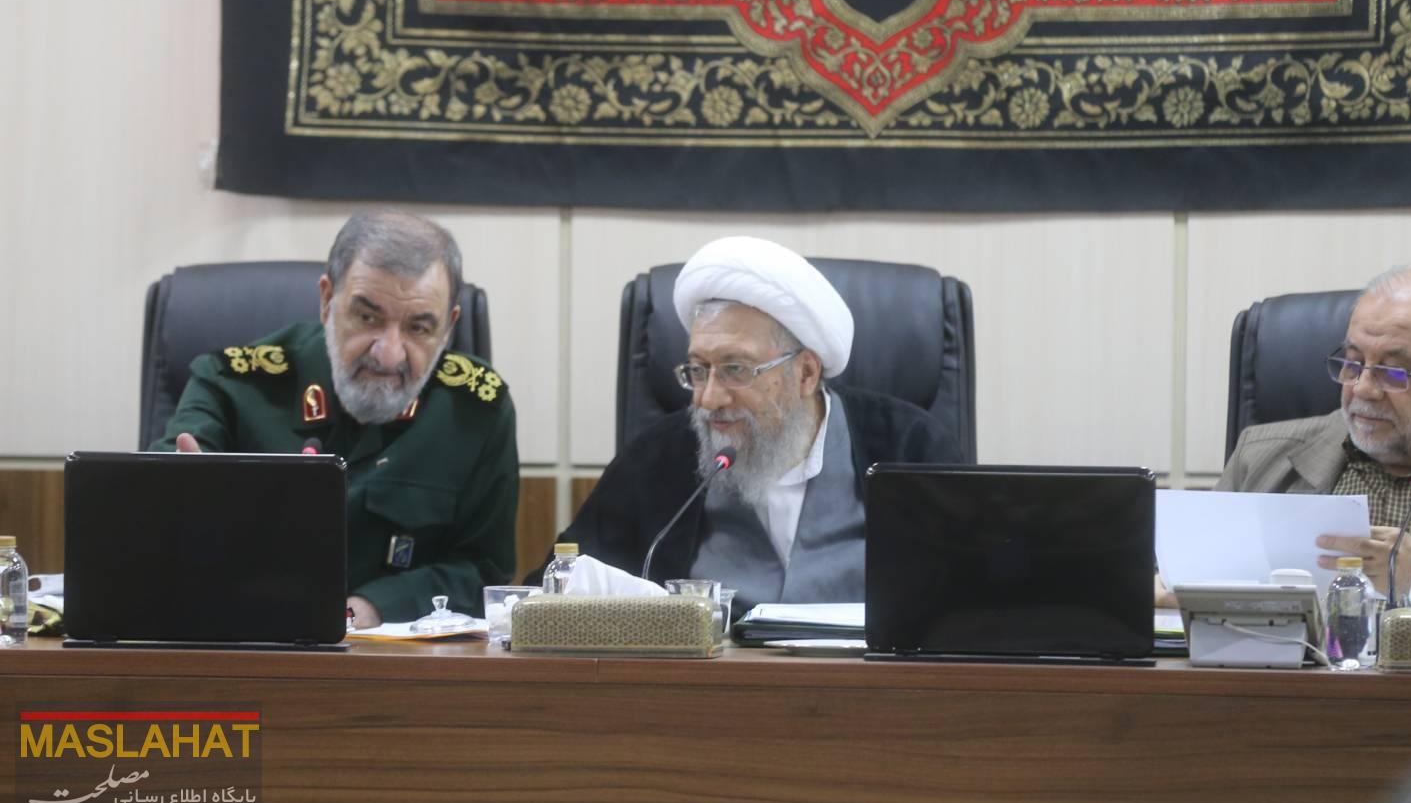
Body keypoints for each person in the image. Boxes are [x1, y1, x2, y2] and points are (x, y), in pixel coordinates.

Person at [151, 211, 519, 627]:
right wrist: (178, 503)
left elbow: (484, 568)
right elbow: (158, 518)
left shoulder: (477, 410)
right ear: (327, 301)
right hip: (245, 640)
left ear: (449, 328)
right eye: (368, 318)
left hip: (402, 657)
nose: (388, 354)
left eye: (418, 328)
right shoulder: (231, 385)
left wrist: (368, 609)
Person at [558, 236, 961, 612]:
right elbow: (557, 592)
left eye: (735, 369)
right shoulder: (654, 460)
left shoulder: (911, 448)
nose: (708, 398)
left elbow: (971, 604)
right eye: (698, 369)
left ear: (806, 373)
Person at [1219, 264, 1411, 600]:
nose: (1363, 388)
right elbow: (1193, 585)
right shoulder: (1259, 458)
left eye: (1393, 371)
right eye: (1352, 363)